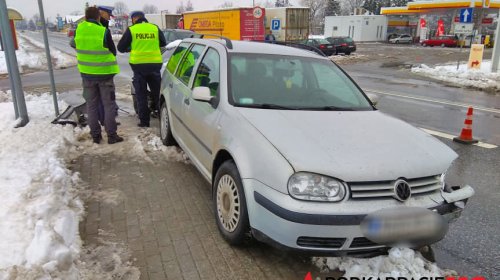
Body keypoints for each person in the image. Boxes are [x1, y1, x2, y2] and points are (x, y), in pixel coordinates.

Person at [73, 7, 123, 144]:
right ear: (98, 17)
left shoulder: (79, 29)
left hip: (87, 75)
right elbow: (113, 50)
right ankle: (111, 136)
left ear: (85, 16)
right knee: (109, 105)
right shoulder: (103, 31)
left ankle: (96, 136)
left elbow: (73, 44)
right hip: (105, 75)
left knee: (91, 106)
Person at [117, 11, 166, 127]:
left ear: (134, 19)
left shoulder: (132, 29)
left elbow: (120, 47)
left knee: (141, 95)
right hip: (155, 65)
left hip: (139, 66)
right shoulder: (154, 28)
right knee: (157, 93)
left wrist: (131, 48)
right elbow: (163, 42)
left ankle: (144, 122)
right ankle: (163, 118)